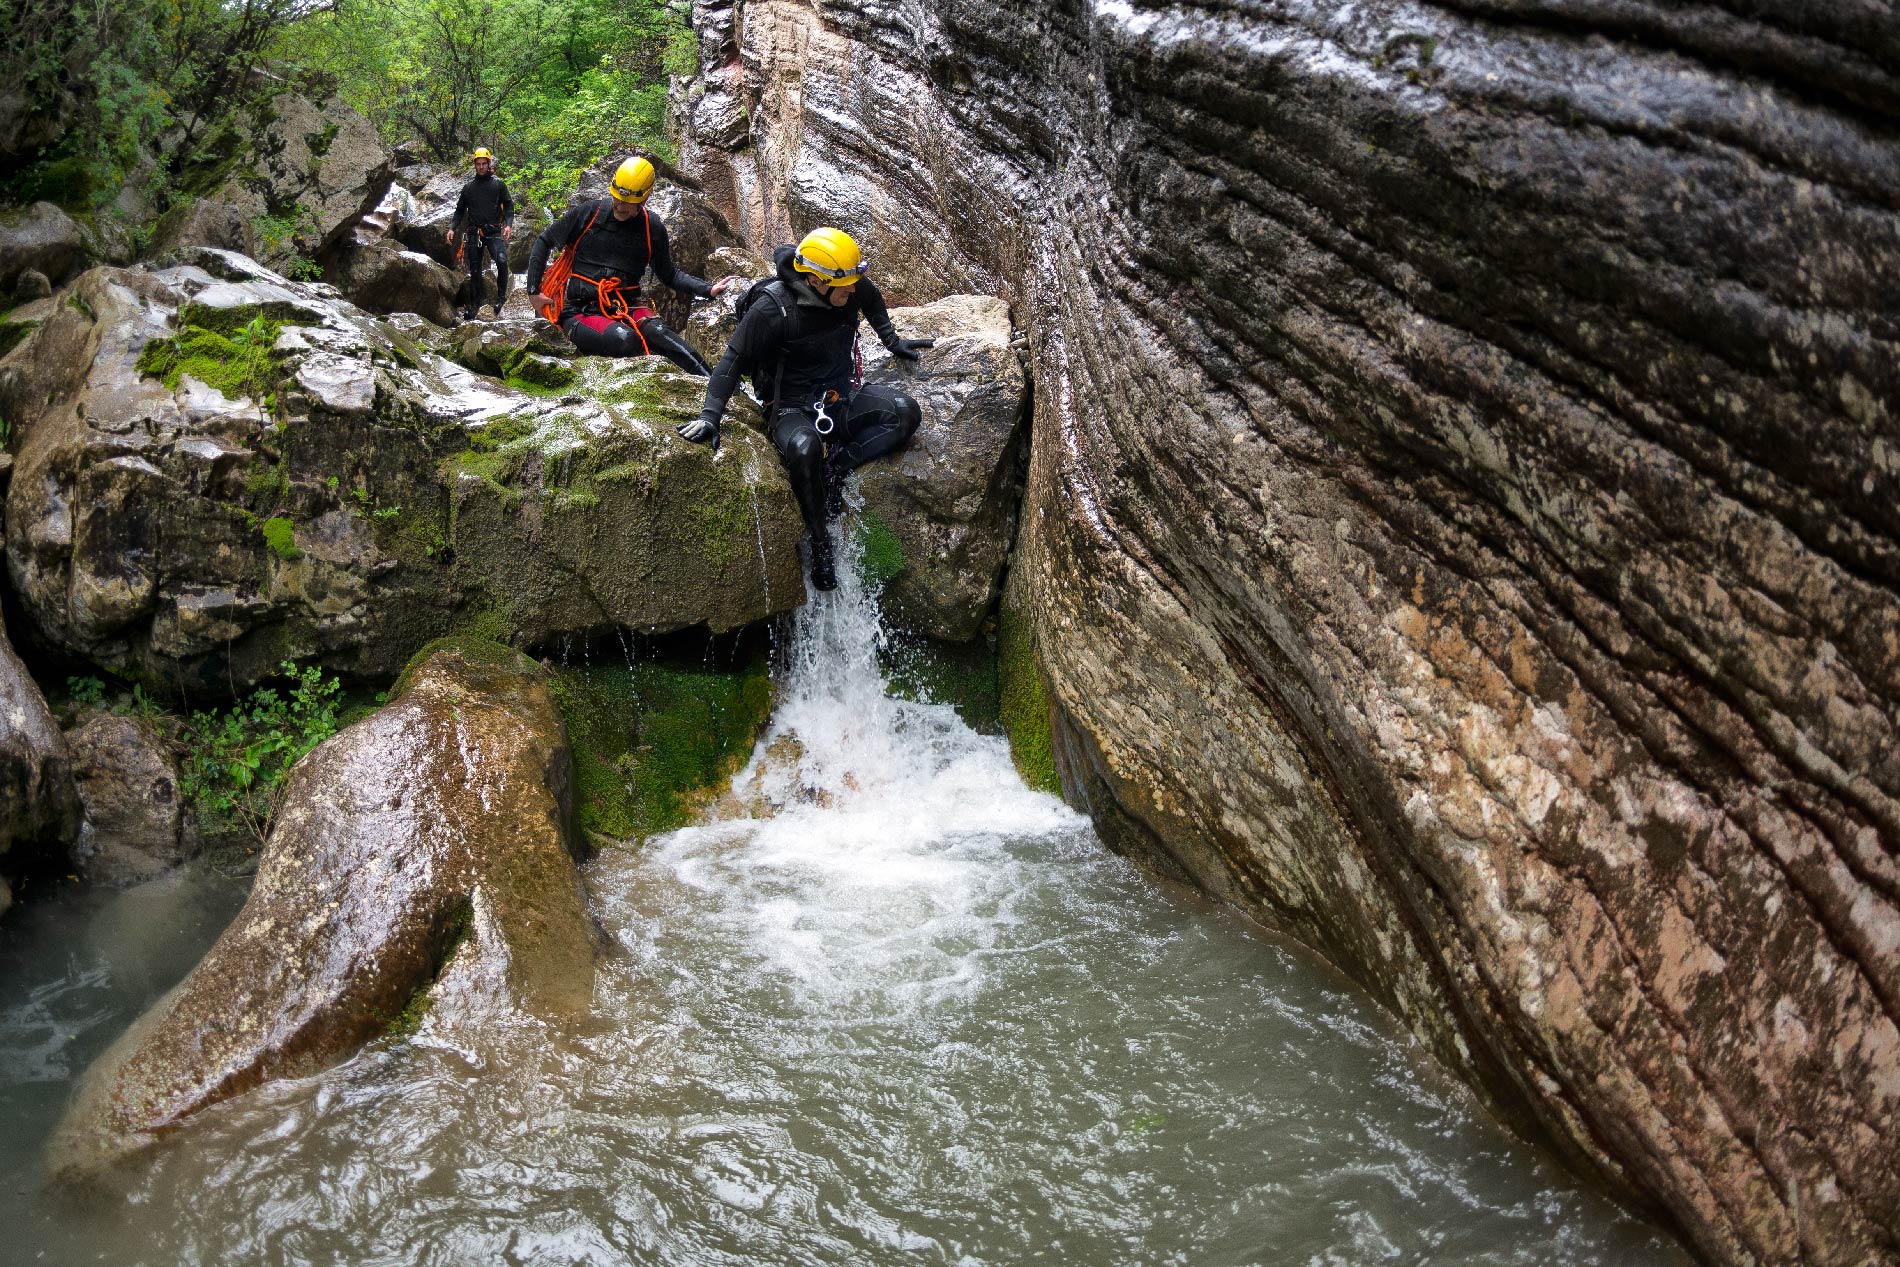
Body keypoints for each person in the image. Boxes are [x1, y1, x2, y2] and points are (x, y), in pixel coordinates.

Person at [679, 227, 934, 592]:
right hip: (790, 408)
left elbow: (872, 299)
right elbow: (733, 360)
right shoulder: (773, 308)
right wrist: (709, 416)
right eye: (845, 286)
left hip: (840, 397)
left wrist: (891, 340)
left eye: (853, 283)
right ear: (816, 280)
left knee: (904, 412)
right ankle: (819, 542)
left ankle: (836, 468)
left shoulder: (847, 284)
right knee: (804, 449)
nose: (853, 290)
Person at [524, 156, 736, 374]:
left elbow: (669, 275)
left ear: (643, 200)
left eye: (626, 203)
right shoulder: (589, 213)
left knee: (666, 336)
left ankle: (720, 387)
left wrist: (708, 289)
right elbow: (544, 241)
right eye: (616, 198)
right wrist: (533, 292)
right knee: (626, 340)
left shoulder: (651, 227)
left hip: (626, 306)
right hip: (580, 311)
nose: (619, 205)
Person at [446, 146, 514, 322]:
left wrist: (508, 225)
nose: (481, 166)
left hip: (492, 231)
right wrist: (452, 228)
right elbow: (459, 211)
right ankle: (474, 306)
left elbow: (508, 206)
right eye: (478, 164)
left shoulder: (498, 185)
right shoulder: (469, 188)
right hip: (474, 233)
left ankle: (500, 299)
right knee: (475, 270)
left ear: (489, 164)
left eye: (484, 163)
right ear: (475, 165)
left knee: (501, 261)